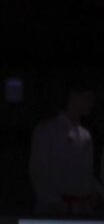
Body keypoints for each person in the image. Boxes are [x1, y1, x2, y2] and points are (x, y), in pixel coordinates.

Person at [29, 84, 103, 215]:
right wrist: (53, 202)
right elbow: (39, 172)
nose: (91, 104)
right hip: (53, 211)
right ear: (74, 97)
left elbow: (86, 173)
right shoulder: (47, 130)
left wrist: (96, 192)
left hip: (81, 211)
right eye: (87, 98)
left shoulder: (85, 135)